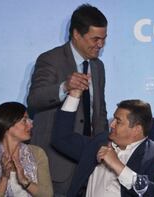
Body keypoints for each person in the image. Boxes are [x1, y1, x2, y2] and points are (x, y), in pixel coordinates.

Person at [27, 4, 109, 195]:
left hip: (90, 160)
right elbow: (34, 100)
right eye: (95, 39)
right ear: (76, 34)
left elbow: (99, 111)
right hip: (57, 161)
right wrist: (64, 87)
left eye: (104, 39)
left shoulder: (98, 66)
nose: (100, 45)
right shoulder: (50, 59)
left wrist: (103, 147)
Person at [50, 89, 154, 197]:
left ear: (137, 129)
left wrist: (118, 166)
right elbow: (62, 139)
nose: (111, 124)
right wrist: (74, 95)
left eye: (118, 121)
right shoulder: (99, 143)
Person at [0, 102, 53, 197]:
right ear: (7, 124)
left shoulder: (37, 153)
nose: (31, 125)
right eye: (24, 120)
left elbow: (48, 195)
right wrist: (4, 178)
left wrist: (24, 181)